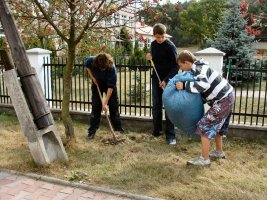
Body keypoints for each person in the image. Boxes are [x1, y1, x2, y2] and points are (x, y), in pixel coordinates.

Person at [175, 50, 235, 166]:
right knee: (218, 126)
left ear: (187, 62)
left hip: (223, 99)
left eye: (181, 65)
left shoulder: (199, 69)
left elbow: (204, 85)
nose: (181, 68)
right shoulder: (199, 67)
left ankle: (204, 159)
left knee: (204, 125)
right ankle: (219, 152)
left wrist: (184, 86)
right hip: (228, 96)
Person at [146, 23, 179, 145]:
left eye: (161, 37)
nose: (159, 39)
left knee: (169, 107)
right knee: (156, 105)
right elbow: (154, 62)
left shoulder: (170, 46)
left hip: (168, 80)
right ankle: (157, 131)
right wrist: (149, 58)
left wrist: (166, 80)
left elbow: (176, 66)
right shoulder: (153, 45)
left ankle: (170, 135)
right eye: (157, 37)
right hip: (156, 79)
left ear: (164, 35)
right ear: (154, 35)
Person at [85, 53, 124, 139]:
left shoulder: (112, 68)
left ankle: (118, 129)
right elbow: (87, 66)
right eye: (100, 68)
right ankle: (92, 131)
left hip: (108, 84)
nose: (102, 69)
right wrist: (93, 78)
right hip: (97, 83)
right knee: (95, 107)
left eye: (103, 68)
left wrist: (105, 103)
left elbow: (110, 88)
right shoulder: (91, 60)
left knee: (114, 106)